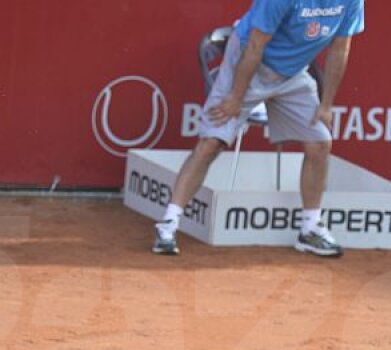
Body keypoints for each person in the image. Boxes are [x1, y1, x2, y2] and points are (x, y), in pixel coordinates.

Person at [151, 0, 365, 258]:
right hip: (247, 60)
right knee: (211, 143)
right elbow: (254, 45)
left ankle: (310, 229)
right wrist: (235, 99)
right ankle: (168, 224)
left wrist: (326, 105)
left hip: (292, 74)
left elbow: (340, 48)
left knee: (319, 143)